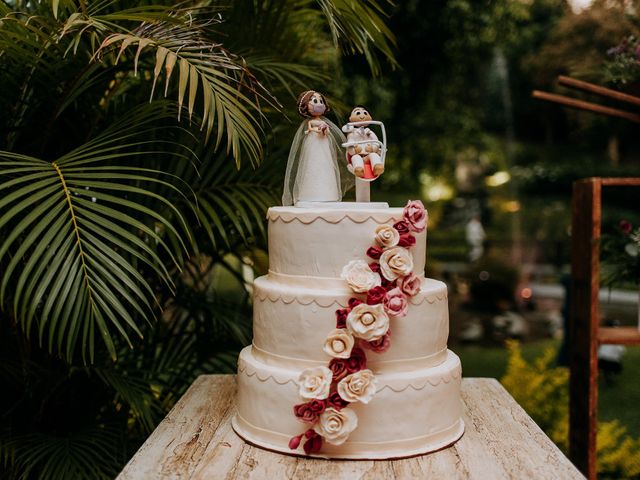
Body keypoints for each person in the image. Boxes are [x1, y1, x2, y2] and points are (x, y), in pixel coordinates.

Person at [282, 91, 353, 206]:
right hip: (313, 141)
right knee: (311, 162)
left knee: (326, 163)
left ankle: (328, 192)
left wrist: (324, 130)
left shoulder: (323, 122)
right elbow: (310, 129)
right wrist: (318, 130)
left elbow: (328, 131)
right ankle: (309, 192)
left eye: (320, 101)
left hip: (324, 142)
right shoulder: (310, 121)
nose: (319, 104)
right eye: (315, 101)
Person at [342, 106, 384, 178]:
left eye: (365, 113)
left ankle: (377, 167)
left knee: (374, 155)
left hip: (368, 155)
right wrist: (354, 150)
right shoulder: (352, 133)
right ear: (350, 118)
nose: (362, 115)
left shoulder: (370, 132)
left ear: (370, 118)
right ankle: (359, 170)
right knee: (356, 158)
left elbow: (376, 142)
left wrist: (373, 148)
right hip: (357, 154)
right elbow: (350, 143)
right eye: (358, 113)